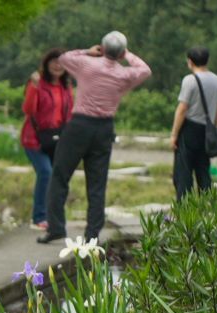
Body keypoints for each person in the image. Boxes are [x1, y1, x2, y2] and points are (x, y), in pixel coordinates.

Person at [40, 32, 151, 245]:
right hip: (104, 128)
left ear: (102, 47)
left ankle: (55, 227)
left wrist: (88, 52)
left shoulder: (86, 65)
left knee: (60, 176)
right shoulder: (124, 74)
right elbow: (145, 70)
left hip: (79, 125)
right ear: (120, 53)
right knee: (97, 184)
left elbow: (63, 58)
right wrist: (127, 54)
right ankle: (91, 234)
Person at [21, 49, 75, 231]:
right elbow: (28, 110)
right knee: (45, 172)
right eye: (54, 62)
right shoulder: (37, 83)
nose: (57, 66)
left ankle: (53, 217)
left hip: (56, 139)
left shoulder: (65, 86)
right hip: (34, 139)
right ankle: (39, 217)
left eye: (61, 63)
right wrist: (34, 87)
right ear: (46, 63)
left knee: (56, 177)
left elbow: (68, 113)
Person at [171, 47, 217, 200]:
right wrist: (214, 129)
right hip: (207, 131)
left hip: (189, 130)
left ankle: (185, 211)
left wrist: (174, 134)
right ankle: (208, 208)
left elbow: (182, 109)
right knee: (203, 172)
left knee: (184, 174)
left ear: (190, 61)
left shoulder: (190, 80)